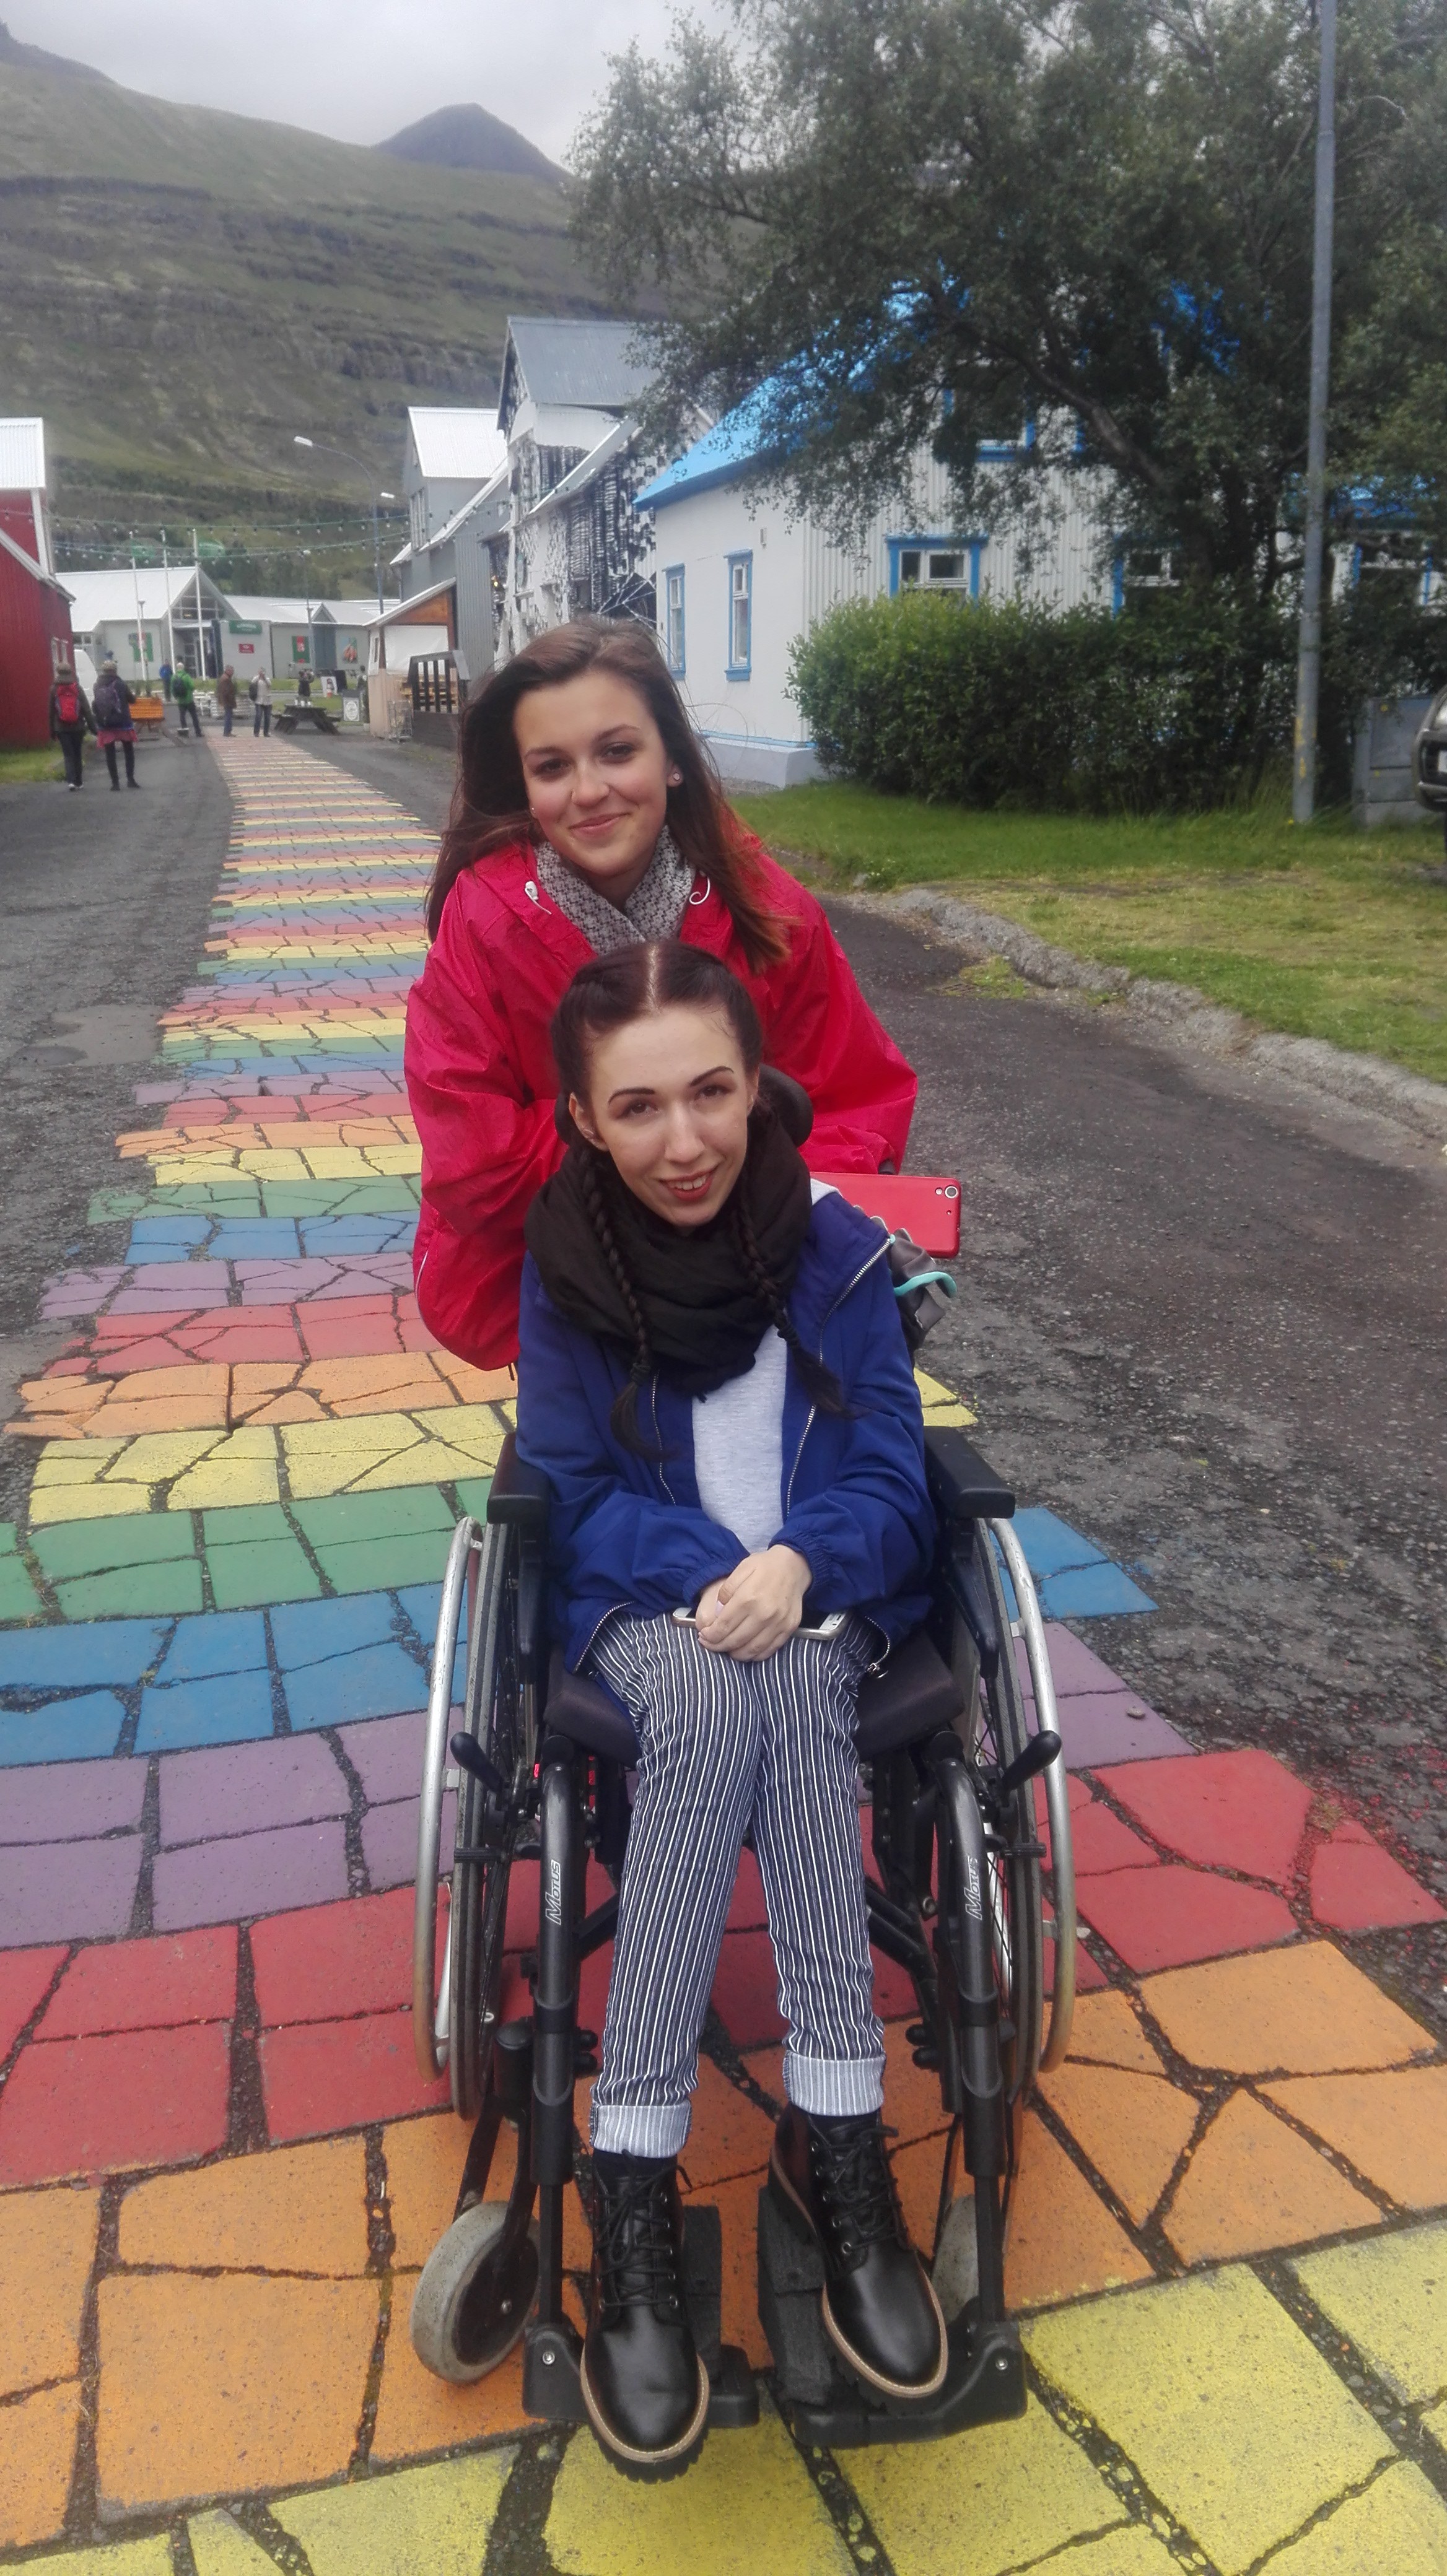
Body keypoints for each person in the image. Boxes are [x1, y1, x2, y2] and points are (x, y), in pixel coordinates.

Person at [516, 939, 945, 2479]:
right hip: (646, 1606)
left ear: (758, 1085)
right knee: (714, 1701)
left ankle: (662, 2165)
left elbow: (895, 1471)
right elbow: (565, 1494)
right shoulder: (562, 1266)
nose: (683, 1139)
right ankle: (804, 2142)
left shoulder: (834, 1252)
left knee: (788, 1697)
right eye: (636, 1108)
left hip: (815, 1595)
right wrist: (721, 1580)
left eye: (711, 1091)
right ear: (580, 1118)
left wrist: (795, 1566)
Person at [405, 619, 917, 1372]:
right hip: (571, 1286)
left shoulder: (767, 910)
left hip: (755, 1281)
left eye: (617, 751)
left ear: (672, 756)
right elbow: (470, 1160)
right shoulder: (480, 923)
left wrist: (736, 1206)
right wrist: (666, 1157)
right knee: (600, 1475)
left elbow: (855, 1101)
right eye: (551, 766)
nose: (588, 792)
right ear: (522, 781)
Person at [93, 656, 140, 790]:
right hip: (123, 722)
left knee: (110, 753)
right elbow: (132, 700)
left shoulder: (97, 685)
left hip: (105, 723)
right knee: (128, 751)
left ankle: (115, 783)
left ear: (103, 671)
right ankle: (130, 780)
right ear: (115, 671)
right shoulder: (120, 684)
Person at [48, 663, 94, 790]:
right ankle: (79, 781)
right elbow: (86, 709)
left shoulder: (54, 689)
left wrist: (52, 731)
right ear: (71, 672)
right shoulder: (77, 688)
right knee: (77, 754)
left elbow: (51, 711)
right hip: (78, 727)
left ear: (58, 673)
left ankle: (71, 781)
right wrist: (93, 727)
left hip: (61, 728)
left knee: (68, 755)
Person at [173, 664, 201, 739]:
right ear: (183, 668)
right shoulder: (187, 676)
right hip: (189, 700)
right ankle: (198, 732)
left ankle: (185, 733)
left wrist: (176, 697)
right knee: (194, 716)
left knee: (182, 717)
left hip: (180, 701)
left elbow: (172, 689)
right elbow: (192, 686)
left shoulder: (174, 677)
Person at [216, 665, 238, 737]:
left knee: (229, 715)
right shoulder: (226, 679)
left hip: (226, 700)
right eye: (232, 671)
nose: (233, 673)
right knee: (228, 716)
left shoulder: (224, 678)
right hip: (227, 701)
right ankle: (227, 732)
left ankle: (228, 731)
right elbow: (226, 691)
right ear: (228, 671)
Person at [252, 669, 273, 738]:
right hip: (259, 700)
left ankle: (266, 732)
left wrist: (264, 678)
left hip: (267, 701)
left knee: (267, 717)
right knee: (258, 716)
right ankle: (256, 732)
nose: (262, 674)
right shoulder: (256, 679)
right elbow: (252, 684)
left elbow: (269, 684)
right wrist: (258, 677)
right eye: (260, 672)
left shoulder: (267, 679)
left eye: (263, 672)